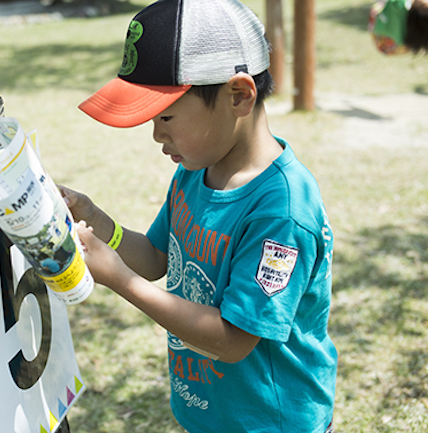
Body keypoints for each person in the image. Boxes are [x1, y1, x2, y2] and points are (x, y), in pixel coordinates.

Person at [60, 0, 338, 432]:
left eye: (166, 115)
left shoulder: (282, 212)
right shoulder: (198, 170)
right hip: (211, 414)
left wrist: (120, 280)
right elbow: (156, 255)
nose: (156, 134)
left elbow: (232, 341)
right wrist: (95, 218)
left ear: (239, 96)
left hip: (270, 422)